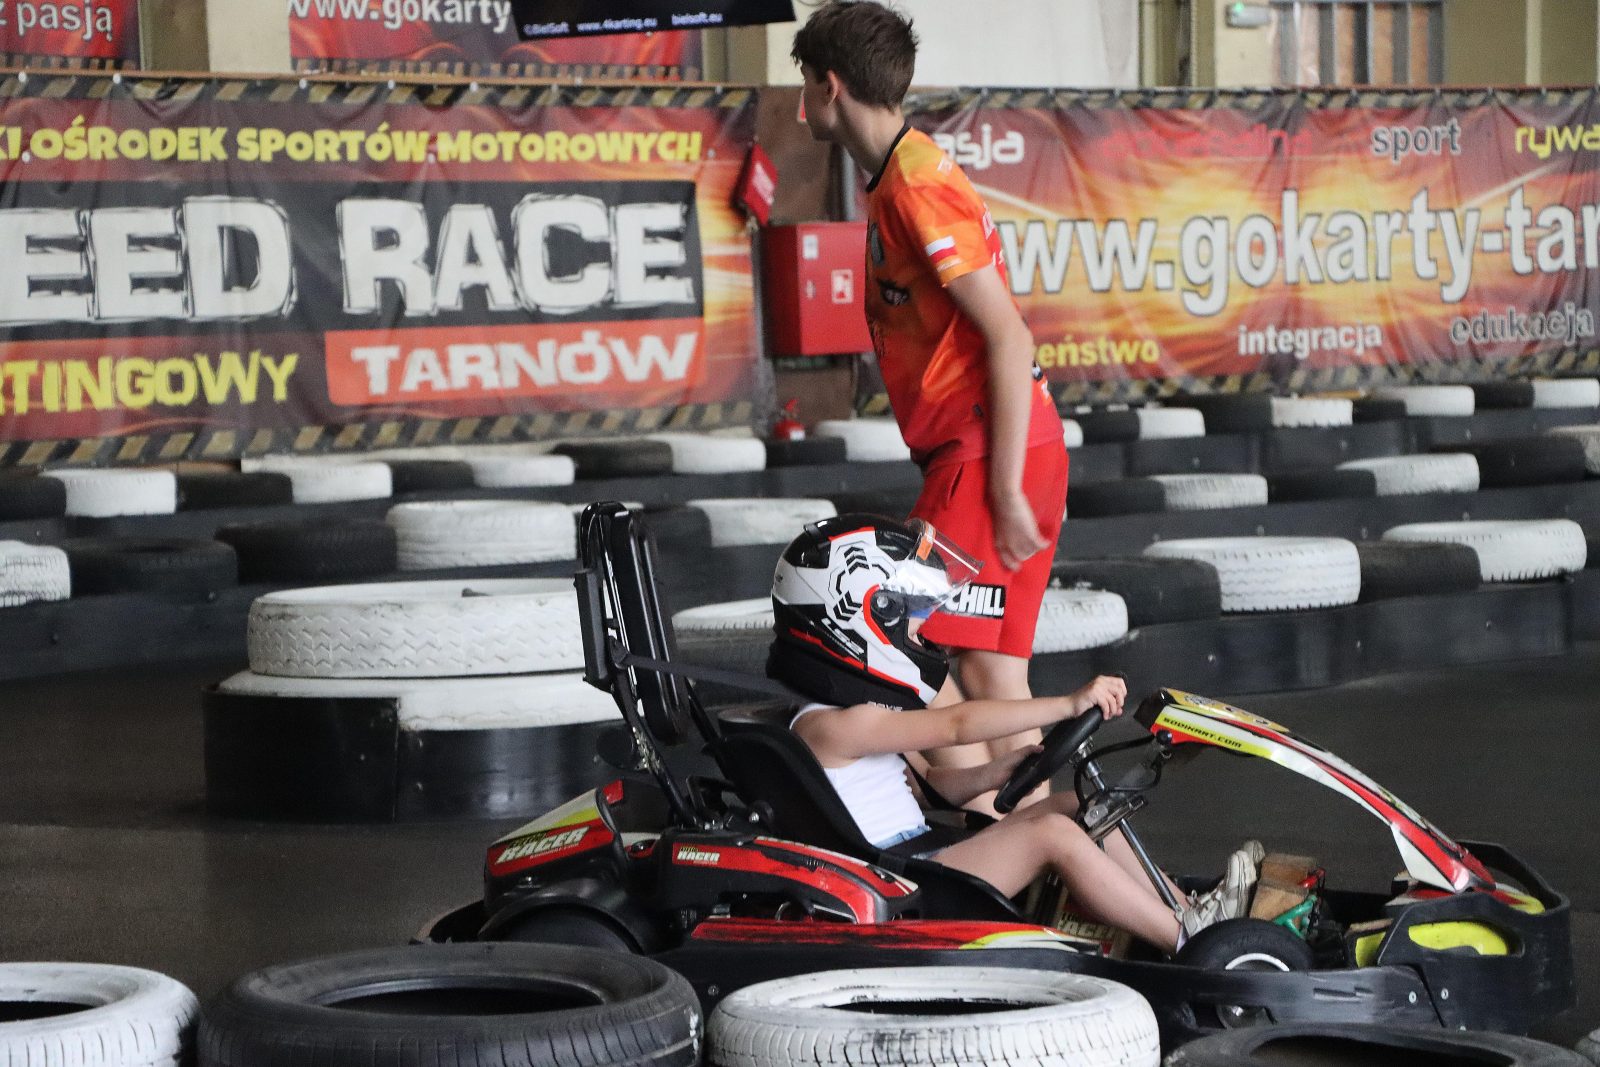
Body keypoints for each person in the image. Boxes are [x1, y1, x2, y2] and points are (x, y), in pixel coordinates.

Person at [791, 2, 1069, 795]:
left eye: (804, 84)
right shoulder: (898, 177)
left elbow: (1008, 335)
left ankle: (997, 826)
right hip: (997, 450)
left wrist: (1003, 488)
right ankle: (1041, 840)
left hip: (986, 456)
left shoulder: (916, 186)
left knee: (886, 635)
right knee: (992, 675)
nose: (801, 104)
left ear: (831, 86)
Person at [766, 513, 1260, 954]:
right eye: (914, 625)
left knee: (1075, 805)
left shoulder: (854, 714)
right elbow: (956, 724)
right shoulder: (832, 725)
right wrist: (1068, 703)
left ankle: (1190, 910)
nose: (924, 636)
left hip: (917, 857)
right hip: (901, 885)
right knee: (1052, 836)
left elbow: (929, 787)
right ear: (864, 619)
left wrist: (996, 772)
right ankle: (1192, 943)